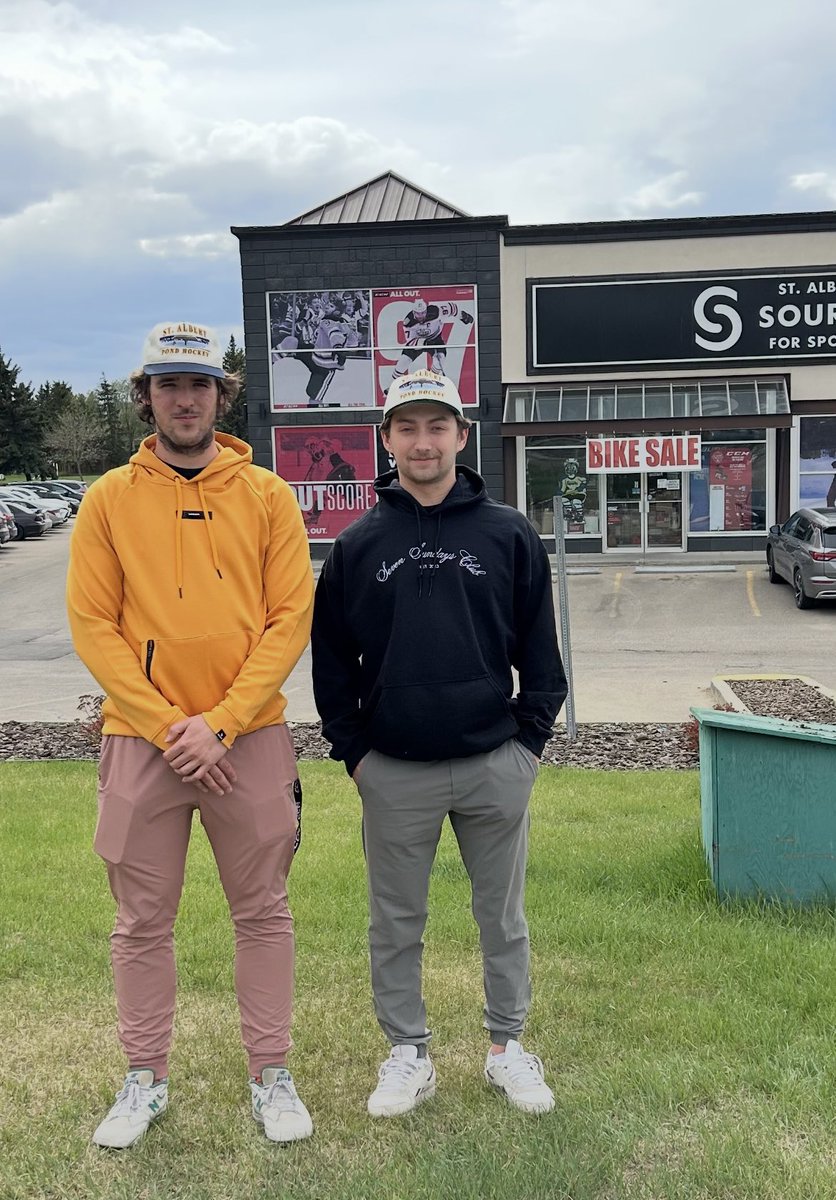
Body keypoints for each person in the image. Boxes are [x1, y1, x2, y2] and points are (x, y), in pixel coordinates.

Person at [66, 321, 315, 1148]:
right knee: (141, 921)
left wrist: (222, 723)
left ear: (221, 395)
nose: (184, 399)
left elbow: (289, 621)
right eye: (168, 384)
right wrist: (171, 726)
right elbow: (94, 624)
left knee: (264, 912)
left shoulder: (269, 495)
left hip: (249, 738)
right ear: (146, 395)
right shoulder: (108, 498)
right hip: (145, 742)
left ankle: (270, 1074)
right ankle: (144, 1078)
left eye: (199, 385)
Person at [311, 369, 567, 1119]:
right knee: (395, 921)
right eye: (407, 428)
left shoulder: (507, 532)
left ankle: (508, 1047)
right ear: (386, 441)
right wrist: (355, 753)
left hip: (494, 763)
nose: (423, 442)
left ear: (461, 435)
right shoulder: (358, 545)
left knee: (504, 917)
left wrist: (528, 744)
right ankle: (407, 1054)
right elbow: (332, 663)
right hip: (394, 770)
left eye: (437, 426)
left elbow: (540, 653)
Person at [388, 297, 474, 384]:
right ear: (413, 312)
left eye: (423, 313)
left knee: (440, 359)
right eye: (418, 314)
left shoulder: (436, 312)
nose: (421, 316)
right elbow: (410, 342)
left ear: (426, 310)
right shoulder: (408, 322)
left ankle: (432, 380)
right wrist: (424, 343)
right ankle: (392, 384)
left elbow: (451, 308)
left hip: (435, 339)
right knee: (404, 360)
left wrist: (463, 316)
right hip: (418, 343)